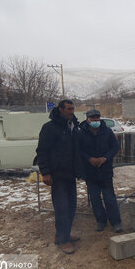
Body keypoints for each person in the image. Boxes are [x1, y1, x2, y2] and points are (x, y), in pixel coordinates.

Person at [36, 100, 83, 254]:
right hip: (57, 175)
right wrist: (46, 172)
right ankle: (63, 241)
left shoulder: (73, 126)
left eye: (73, 109)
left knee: (71, 206)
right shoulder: (49, 128)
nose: (72, 111)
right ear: (61, 110)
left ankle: (62, 234)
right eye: (69, 109)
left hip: (70, 174)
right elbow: (42, 151)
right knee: (62, 208)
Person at [79, 109, 123, 232]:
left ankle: (116, 222)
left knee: (110, 198)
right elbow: (78, 150)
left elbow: (115, 147)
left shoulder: (107, 132)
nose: (95, 121)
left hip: (105, 170)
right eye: (92, 119)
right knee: (95, 198)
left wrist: (105, 158)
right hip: (90, 171)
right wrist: (89, 159)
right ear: (87, 119)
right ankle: (101, 221)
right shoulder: (81, 133)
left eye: (97, 118)